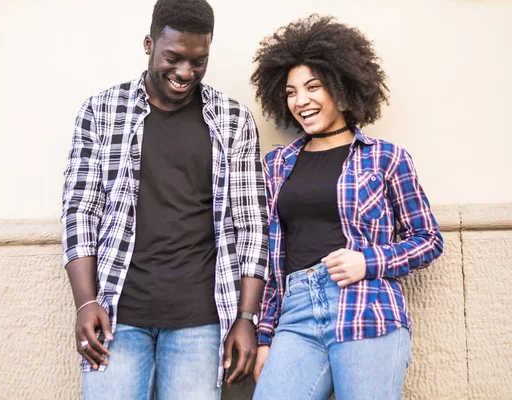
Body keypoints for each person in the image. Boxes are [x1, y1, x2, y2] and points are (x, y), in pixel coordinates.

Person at [60, 1, 269, 399]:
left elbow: (252, 225)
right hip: (118, 317)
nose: (185, 73)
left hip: (201, 321)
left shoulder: (233, 119)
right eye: (173, 58)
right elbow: (80, 212)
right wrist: (85, 302)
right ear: (149, 44)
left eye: (199, 61)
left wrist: (245, 316)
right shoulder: (101, 111)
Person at [249, 14, 444, 400]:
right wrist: (265, 334)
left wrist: (368, 261)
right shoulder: (276, 165)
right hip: (297, 311)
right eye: (290, 92)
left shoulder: (386, 158)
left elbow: (429, 239)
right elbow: (271, 260)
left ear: (340, 85)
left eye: (313, 87)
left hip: (368, 307)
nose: (300, 101)